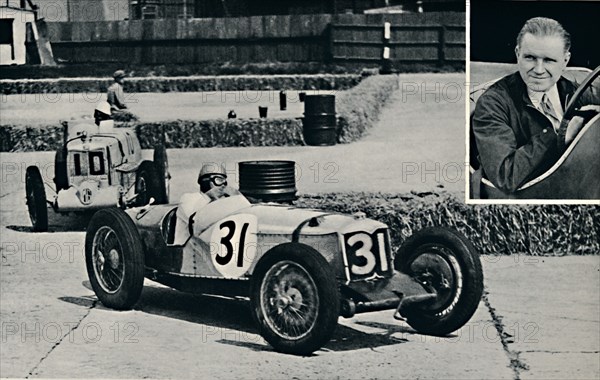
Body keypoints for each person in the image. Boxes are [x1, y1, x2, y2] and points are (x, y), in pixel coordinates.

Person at [472, 17, 598, 194]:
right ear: (517, 54)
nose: (538, 70)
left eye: (549, 60)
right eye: (530, 58)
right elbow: (504, 177)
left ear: (565, 60)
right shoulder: (493, 103)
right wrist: (557, 136)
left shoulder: (582, 95)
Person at [174, 164, 241, 244]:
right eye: (219, 180)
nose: (223, 185)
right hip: (189, 251)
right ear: (205, 181)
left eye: (224, 182)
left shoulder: (222, 203)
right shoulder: (189, 198)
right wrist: (211, 196)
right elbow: (196, 221)